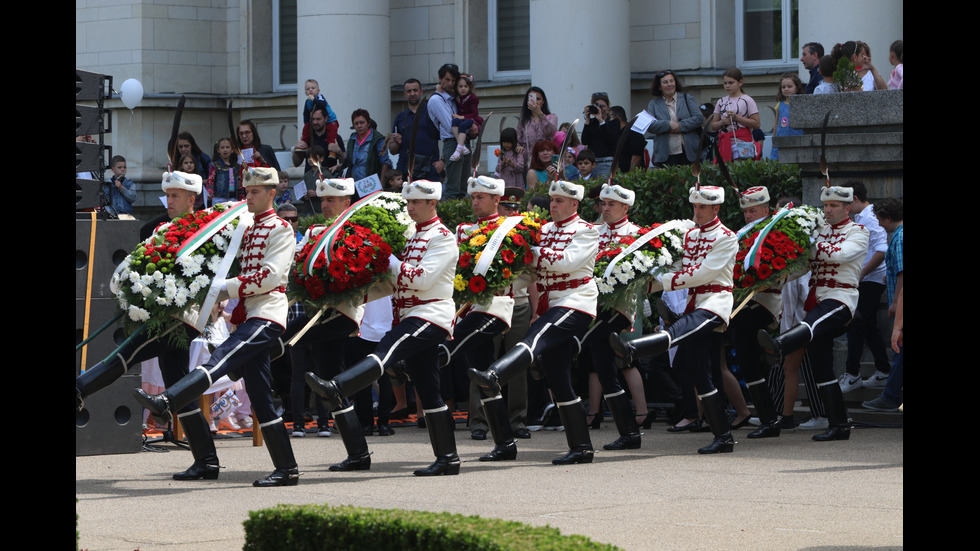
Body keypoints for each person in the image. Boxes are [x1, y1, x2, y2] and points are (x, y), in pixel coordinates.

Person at [134, 167, 300, 486]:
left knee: (219, 359)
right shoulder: (246, 227)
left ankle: (166, 402)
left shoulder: (281, 229)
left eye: (254, 192)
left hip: (267, 313)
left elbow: (269, 276)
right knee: (261, 396)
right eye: (246, 191)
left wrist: (222, 289)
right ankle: (283, 468)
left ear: (271, 194)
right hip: (246, 314)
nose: (247, 196)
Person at [306, 180, 461, 476]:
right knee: (429, 390)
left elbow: (420, 279)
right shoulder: (413, 235)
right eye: (409, 202)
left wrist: (387, 258)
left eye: (416, 202)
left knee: (386, 348)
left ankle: (339, 386)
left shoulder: (442, 238)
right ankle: (448, 458)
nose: (410, 207)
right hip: (409, 314)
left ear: (433, 204)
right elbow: (393, 281)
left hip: (431, 315)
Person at [77, 170, 221, 481]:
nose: (169, 201)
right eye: (167, 195)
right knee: (180, 386)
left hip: (182, 318)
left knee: (127, 352)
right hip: (162, 314)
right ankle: (207, 460)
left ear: (192, 200)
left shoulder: (207, 230)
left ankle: (80, 388)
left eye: (176, 196)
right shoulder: (160, 226)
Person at [469, 180, 600, 466]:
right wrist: (501, 276)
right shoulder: (543, 231)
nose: (553, 205)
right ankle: (578, 447)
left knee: (534, 338)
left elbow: (566, 262)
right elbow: (530, 273)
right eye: (552, 200)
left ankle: (495, 375)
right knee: (559, 377)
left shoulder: (588, 231)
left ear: (575, 204)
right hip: (552, 303)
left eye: (560, 201)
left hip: (576, 302)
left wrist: (526, 250)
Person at [610, 186, 738, 454]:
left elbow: (704, 273)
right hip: (693, 304)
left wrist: (658, 284)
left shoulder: (727, 237)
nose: (697, 212)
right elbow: (680, 266)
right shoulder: (690, 234)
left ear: (716, 209)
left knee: (680, 330)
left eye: (703, 207)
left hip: (715, 303)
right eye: (695, 206)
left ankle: (635, 349)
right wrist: (645, 273)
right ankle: (723, 436)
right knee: (700, 374)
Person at [757, 185, 870, 442]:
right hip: (817, 300)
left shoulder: (859, 232)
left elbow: (841, 254)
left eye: (833, 206)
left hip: (841, 300)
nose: (827, 210)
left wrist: (808, 241)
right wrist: (778, 276)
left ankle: (778, 345)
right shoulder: (819, 231)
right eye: (825, 206)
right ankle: (839, 425)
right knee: (821, 368)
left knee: (810, 323)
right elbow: (804, 267)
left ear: (847, 208)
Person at [439, 176, 528, 460]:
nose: (475, 202)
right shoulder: (463, 230)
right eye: (473, 197)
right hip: (472, 305)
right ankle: (502, 440)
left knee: (457, 349)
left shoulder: (511, 228)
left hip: (500, 305)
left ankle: (513, 425)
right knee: (481, 372)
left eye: (481, 197)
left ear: (496, 200)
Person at [578, 183, 651, 450]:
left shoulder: (636, 234)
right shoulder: (592, 232)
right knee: (604, 369)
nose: (605, 208)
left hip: (620, 308)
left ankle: (629, 429)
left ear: (625, 207)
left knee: (592, 347)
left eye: (611, 205)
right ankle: (629, 432)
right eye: (603, 204)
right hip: (592, 306)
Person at [725, 187, 789, 439]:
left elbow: (796, 264)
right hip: (740, 300)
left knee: (749, 357)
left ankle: (777, 345)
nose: (749, 216)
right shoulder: (741, 234)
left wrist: (776, 276)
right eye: (746, 211)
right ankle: (768, 419)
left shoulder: (776, 230)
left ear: (766, 209)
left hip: (765, 301)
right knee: (747, 361)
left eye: (753, 210)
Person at [842, 181, 890, 392]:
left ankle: (852, 374)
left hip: (871, 280)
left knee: (856, 324)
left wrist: (860, 274)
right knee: (868, 325)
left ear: (854, 199)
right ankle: (883, 370)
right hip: (868, 279)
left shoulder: (870, 218)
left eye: (845, 202)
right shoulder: (863, 217)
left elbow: (881, 251)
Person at [863, 197, 902, 411]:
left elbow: (902, 274)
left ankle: (890, 396)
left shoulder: (900, 237)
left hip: (901, 305)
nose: (876, 222)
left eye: (878, 218)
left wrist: (895, 303)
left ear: (886, 218)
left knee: (899, 351)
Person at [428, 63, 476, 200]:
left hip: (462, 140)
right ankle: (452, 216)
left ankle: (461, 214)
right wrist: (467, 123)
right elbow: (449, 125)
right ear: (440, 78)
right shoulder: (437, 99)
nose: (450, 83)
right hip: (452, 141)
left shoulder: (451, 98)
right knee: (453, 187)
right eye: (447, 80)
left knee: (464, 185)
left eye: (453, 81)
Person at [646, 70, 704, 167]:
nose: (669, 84)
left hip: (689, 152)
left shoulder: (687, 98)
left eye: (671, 81)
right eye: (665, 82)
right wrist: (668, 125)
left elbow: (699, 118)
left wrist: (680, 126)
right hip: (666, 154)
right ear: (659, 87)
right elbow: (650, 125)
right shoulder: (654, 104)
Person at [390, 78, 442, 181]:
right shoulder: (400, 117)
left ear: (421, 92)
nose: (412, 93)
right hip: (405, 168)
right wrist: (397, 142)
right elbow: (392, 150)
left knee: (430, 197)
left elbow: (449, 137)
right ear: (405, 94)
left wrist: (443, 161)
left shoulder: (432, 112)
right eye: (409, 91)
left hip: (430, 167)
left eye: (415, 90)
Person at [709, 68, 761, 162]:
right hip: (724, 143)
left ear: (740, 82)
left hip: (742, 143)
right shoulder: (721, 101)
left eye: (731, 83)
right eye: (725, 83)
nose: (727, 86)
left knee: (740, 171)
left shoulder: (747, 100)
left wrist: (737, 118)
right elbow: (713, 126)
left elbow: (757, 124)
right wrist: (722, 122)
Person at [335, 109, 389, 182]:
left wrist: (382, 185)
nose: (359, 126)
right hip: (353, 184)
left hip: (372, 184)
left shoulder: (379, 140)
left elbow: (385, 164)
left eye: (362, 122)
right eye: (356, 123)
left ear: (368, 123)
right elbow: (348, 162)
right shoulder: (352, 139)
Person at [581, 92, 618, 177]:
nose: (601, 109)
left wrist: (601, 121)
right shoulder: (592, 122)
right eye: (598, 106)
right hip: (592, 163)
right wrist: (587, 119)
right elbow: (584, 140)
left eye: (603, 106)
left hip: (607, 163)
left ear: (608, 107)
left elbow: (611, 140)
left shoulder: (613, 122)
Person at [770, 73, 805, 161]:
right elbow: (777, 123)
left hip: (797, 139)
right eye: (783, 87)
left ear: (797, 88)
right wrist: (774, 138)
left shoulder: (802, 104)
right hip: (781, 138)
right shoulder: (780, 105)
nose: (786, 89)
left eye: (789, 86)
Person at [449, 74, 483, 162]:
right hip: (460, 119)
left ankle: (458, 149)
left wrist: (462, 117)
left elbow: (474, 114)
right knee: (455, 121)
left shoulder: (472, 98)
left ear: (469, 87)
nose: (463, 88)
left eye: (465, 86)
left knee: (463, 125)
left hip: (472, 120)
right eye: (460, 86)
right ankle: (462, 146)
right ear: (456, 88)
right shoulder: (456, 98)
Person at [516, 86, 558, 155]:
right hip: (528, 161)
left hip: (545, 160)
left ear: (543, 101)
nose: (535, 102)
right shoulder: (523, 120)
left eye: (538, 99)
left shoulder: (551, 117)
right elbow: (518, 140)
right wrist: (518, 147)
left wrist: (540, 114)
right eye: (532, 99)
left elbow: (550, 131)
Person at [208, 137, 240, 205]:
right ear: (218, 150)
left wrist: (241, 196)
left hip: (233, 198)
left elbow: (240, 183)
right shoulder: (215, 165)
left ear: (232, 150)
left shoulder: (236, 166)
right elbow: (210, 181)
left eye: (227, 147)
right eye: (222, 148)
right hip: (218, 198)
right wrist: (210, 193)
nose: (225, 150)